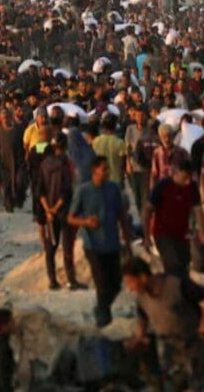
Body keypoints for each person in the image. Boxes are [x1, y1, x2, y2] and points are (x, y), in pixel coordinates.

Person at [123, 256, 204, 390]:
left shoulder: (176, 284)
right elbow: (143, 316)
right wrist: (140, 336)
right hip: (171, 351)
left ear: (142, 277)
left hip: (197, 346)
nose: (130, 288)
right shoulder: (141, 297)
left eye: (131, 282)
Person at [68, 156, 133, 327]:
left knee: (117, 284)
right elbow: (71, 218)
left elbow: (122, 217)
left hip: (112, 243)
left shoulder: (113, 189)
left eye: (107, 169)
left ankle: (101, 309)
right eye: (104, 169)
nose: (107, 172)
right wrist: (86, 222)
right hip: (93, 245)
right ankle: (103, 319)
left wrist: (127, 242)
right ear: (94, 170)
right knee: (102, 283)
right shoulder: (83, 191)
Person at [143, 160, 204, 276]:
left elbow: (198, 209)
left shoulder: (192, 187)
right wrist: (147, 237)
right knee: (172, 266)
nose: (187, 182)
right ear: (176, 173)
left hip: (182, 234)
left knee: (184, 266)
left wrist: (202, 230)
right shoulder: (163, 186)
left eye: (190, 178)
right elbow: (147, 211)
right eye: (185, 178)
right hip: (162, 234)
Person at [37, 136, 83, 290]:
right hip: (64, 210)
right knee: (67, 245)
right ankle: (71, 280)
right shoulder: (65, 165)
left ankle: (52, 280)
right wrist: (56, 208)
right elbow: (66, 192)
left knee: (51, 247)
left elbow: (40, 190)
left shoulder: (44, 165)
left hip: (49, 211)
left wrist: (48, 210)